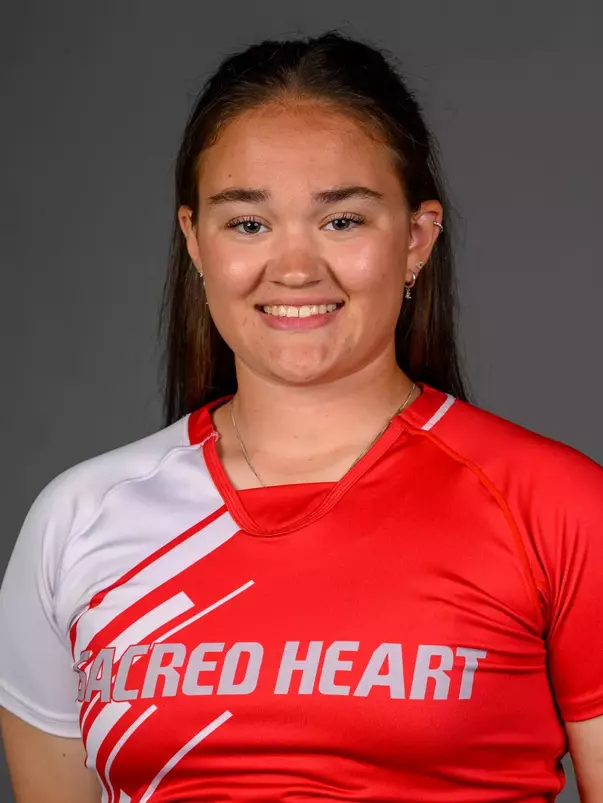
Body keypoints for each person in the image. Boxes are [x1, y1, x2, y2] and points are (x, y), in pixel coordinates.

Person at [0, 29, 602, 803]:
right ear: (195, 242)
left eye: (342, 220)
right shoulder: (79, 520)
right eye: (247, 223)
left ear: (416, 240)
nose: (292, 268)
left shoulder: (556, 508)